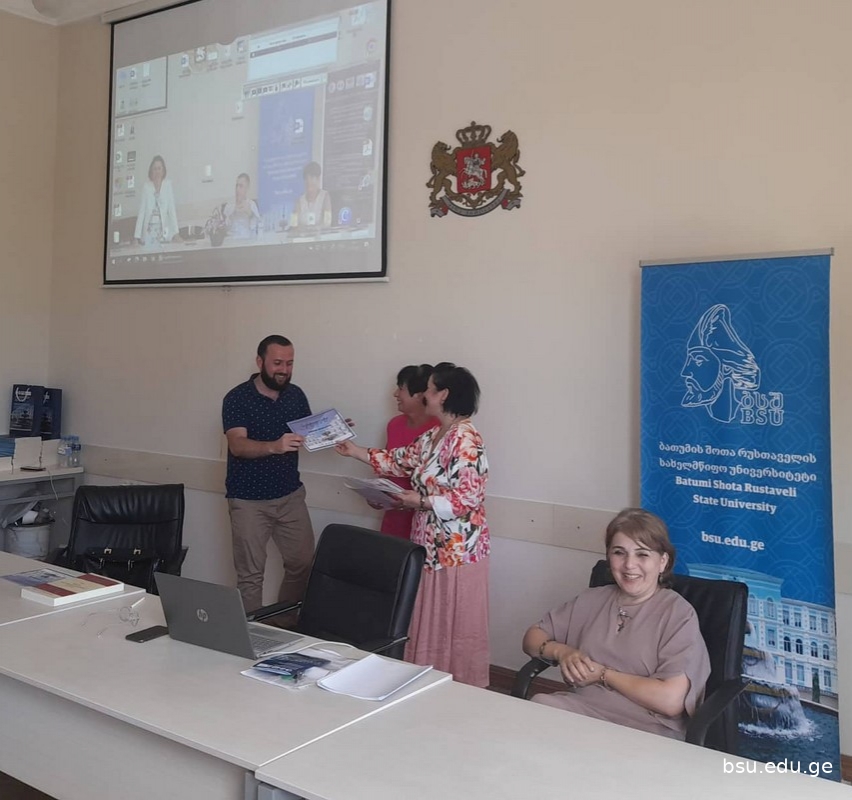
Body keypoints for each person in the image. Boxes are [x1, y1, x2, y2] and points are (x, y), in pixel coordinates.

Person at [335, 363, 490, 686]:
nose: (423, 395)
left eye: (429, 389)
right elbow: (399, 459)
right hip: (429, 546)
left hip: (455, 553)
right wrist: (353, 451)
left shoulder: (466, 439)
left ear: (443, 395)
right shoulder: (435, 435)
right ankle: (423, 680)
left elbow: (467, 498)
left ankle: (456, 687)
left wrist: (419, 501)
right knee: (426, 618)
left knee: (451, 623)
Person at [522, 508, 710, 740]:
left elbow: (671, 701)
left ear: (663, 562)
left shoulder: (678, 614)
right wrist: (562, 652)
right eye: (619, 553)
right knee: (537, 709)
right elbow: (532, 638)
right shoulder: (592, 599)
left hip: (646, 727)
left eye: (642, 554)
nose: (629, 565)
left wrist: (603, 675)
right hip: (583, 710)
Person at [222, 335, 315, 625]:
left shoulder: (296, 395)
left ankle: (283, 626)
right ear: (260, 362)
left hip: (290, 495)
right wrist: (274, 446)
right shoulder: (237, 398)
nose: (284, 370)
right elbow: (237, 445)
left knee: (303, 563)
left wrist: (332, 432)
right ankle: (251, 637)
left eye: (289, 363)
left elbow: (305, 435)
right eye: (277, 363)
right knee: (250, 575)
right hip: (248, 500)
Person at [378, 364, 439, 539]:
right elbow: (387, 466)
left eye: (401, 388)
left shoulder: (440, 430)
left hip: (426, 522)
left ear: (420, 394)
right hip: (394, 518)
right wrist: (377, 494)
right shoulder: (394, 425)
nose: (395, 394)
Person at [134, 155, 180, 245]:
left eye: (159, 168)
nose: (157, 171)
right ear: (151, 171)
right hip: (149, 233)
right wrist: (136, 237)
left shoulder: (168, 185)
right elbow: (142, 212)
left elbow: (172, 210)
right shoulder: (146, 187)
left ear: (163, 171)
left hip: (164, 233)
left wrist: (176, 233)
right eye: (155, 169)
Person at [290, 161, 332, 229]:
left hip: (320, 235)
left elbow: (327, 223)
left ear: (318, 179)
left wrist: (314, 230)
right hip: (302, 235)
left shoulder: (325, 196)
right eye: (306, 178)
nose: (308, 181)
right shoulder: (298, 201)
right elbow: (293, 225)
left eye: (312, 178)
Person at [223, 173, 262, 238]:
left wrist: (251, 214)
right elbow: (223, 229)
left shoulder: (252, 204)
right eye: (236, 186)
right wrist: (232, 213)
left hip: (247, 240)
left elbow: (259, 228)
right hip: (231, 241)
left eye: (241, 186)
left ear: (247, 188)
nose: (237, 189)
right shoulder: (229, 205)